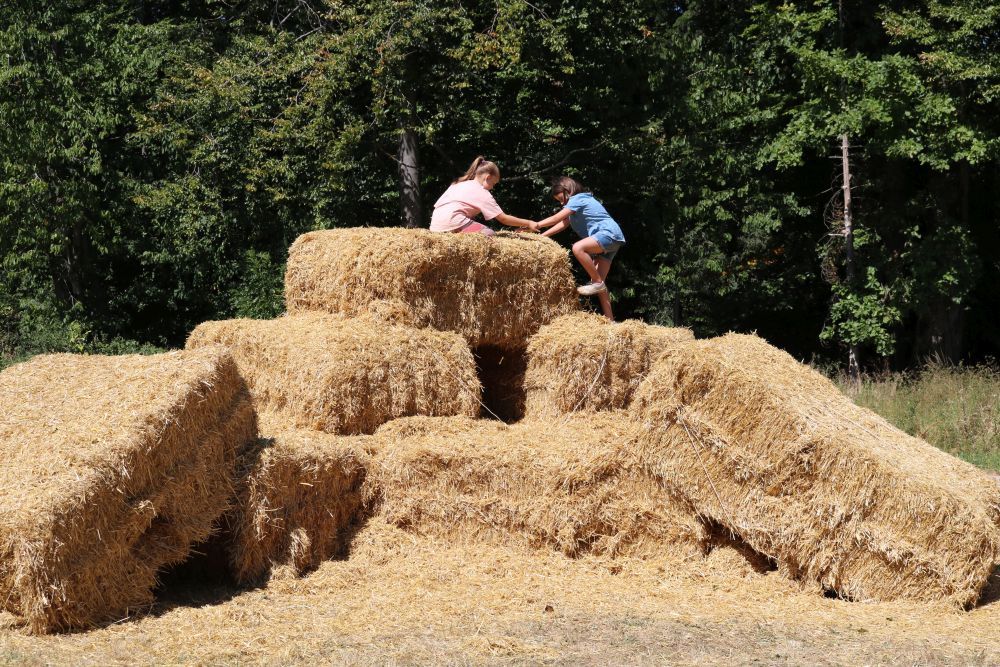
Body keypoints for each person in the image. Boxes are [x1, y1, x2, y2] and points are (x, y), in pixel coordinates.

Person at [536, 176, 625, 320]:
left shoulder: (577, 199)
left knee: (578, 248)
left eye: (561, 199)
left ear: (568, 191)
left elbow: (555, 219)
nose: (561, 203)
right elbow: (563, 224)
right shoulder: (576, 205)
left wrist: (536, 225)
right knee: (600, 284)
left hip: (607, 234)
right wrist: (542, 236)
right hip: (613, 240)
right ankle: (611, 321)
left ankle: (596, 283)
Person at [430, 156, 537, 237]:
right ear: (488, 177)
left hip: (435, 226)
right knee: (490, 233)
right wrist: (528, 223)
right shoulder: (481, 192)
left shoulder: (458, 183)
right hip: (454, 223)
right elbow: (503, 218)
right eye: (493, 183)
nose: (492, 188)